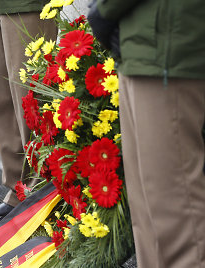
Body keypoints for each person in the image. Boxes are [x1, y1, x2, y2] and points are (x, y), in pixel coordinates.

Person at [88, 0, 205, 267]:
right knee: (148, 210)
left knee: (174, 209)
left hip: (167, 46)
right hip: (141, 45)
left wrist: (104, 10)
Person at [0, 0, 57, 223]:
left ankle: (39, 194)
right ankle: (17, 192)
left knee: (30, 97)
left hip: (26, 3)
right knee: (1, 94)